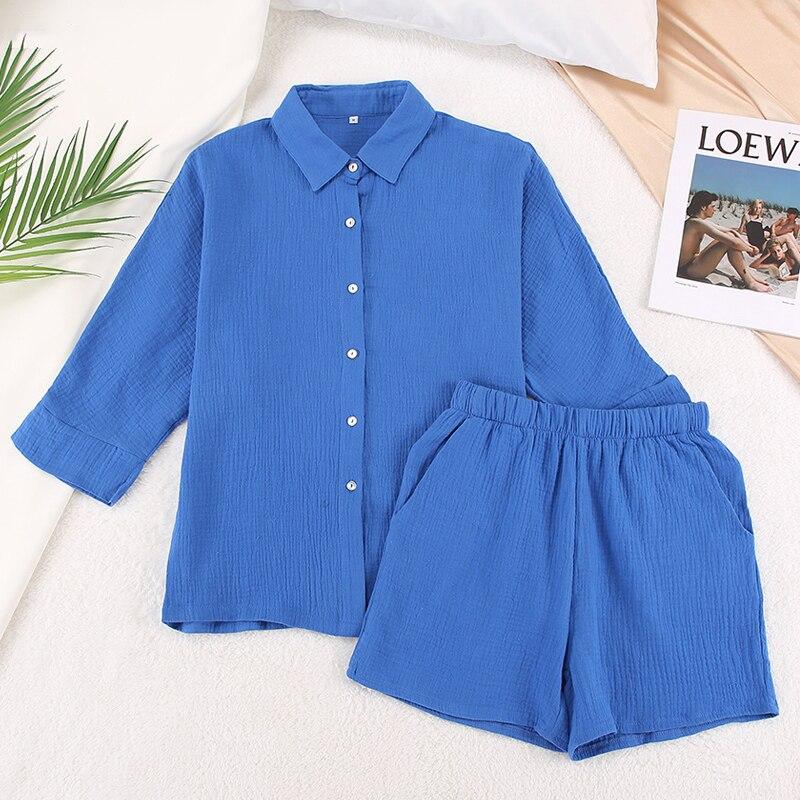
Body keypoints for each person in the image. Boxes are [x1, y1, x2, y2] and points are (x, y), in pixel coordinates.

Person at [678, 190, 770, 292]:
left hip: (694, 261)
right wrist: (751, 250)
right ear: (703, 207)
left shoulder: (698, 221)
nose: (715, 209)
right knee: (728, 243)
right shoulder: (696, 223)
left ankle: (749, 276)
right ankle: (750, 282)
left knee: (730, 236)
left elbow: (731, 231)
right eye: (713, 206)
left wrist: (749, 245)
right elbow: (733, 243)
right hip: (688, 269)